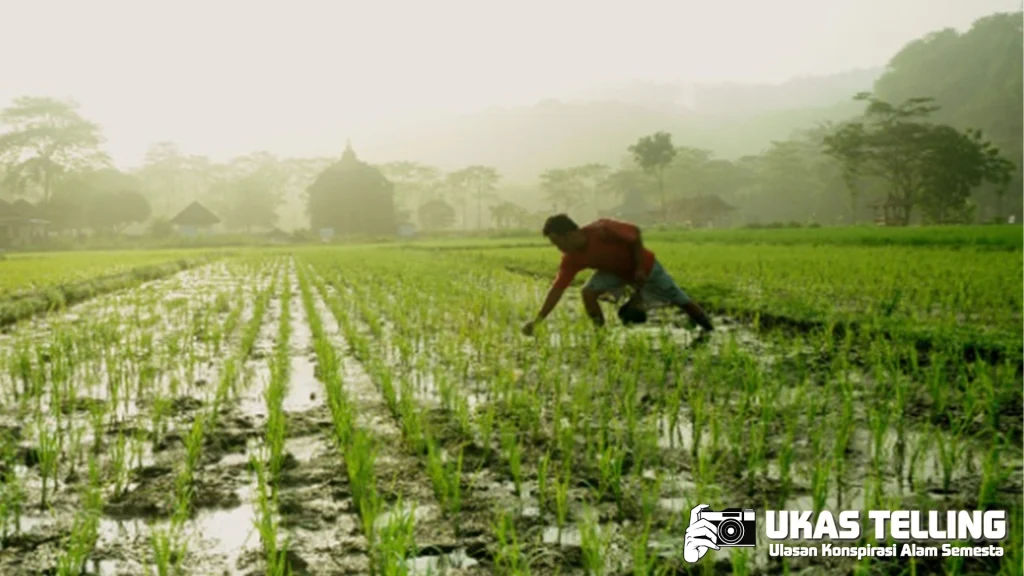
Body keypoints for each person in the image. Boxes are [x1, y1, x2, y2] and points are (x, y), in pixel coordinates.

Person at [521, 214, 715, 336]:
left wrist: (639, 268)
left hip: (645, 265)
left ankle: (708, 329)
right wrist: (538, 321)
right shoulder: (571, 258)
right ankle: (600, 335)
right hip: (614, 272)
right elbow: (557, 289)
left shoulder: (602, 229)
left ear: (570, 233)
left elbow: (635, 234)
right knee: (587, 291)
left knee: (679, 298)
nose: (558, 248)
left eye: (557, 242)